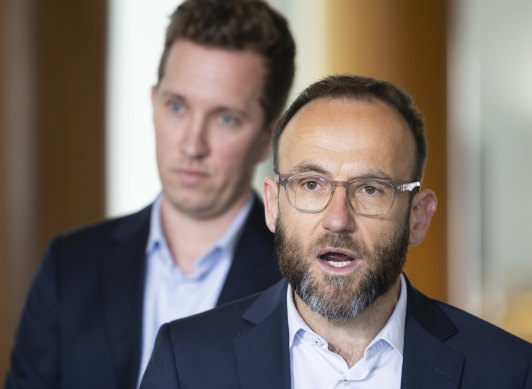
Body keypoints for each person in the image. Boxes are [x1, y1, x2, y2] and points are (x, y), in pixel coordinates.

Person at [139, 74, 532, 389]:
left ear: (418, 217)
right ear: (273, 206)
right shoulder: (186, 363)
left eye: (371, 189)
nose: (338, 219)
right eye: (311, 184)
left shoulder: (510, 371)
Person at [6, 0, 295, 388]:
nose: (192, 145)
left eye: (226, 118)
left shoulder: (300, 281)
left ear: (268, 139)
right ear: (153, 103)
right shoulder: (69, 267)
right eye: (177, 107)